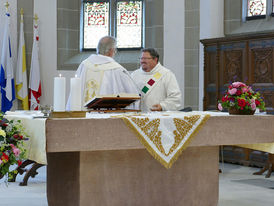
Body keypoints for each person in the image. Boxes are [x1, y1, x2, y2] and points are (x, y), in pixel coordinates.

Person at [66, 36, 139, 110]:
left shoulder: (84, 65)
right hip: (106, 117)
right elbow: (132, 95)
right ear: (111, 50)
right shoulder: (116, 69)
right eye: (115, 50)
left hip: (83, 116)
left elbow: (75, 91)